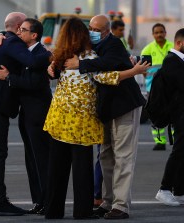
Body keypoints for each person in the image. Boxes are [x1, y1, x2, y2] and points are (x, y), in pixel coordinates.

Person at [43, 16, 149, 220]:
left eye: (95, 29)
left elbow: (107, 66)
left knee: (122, 157)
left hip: (119, 107)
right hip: (85, 119)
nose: (91, 31)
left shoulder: (107, 46)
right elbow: (103, 76)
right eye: (88, 28)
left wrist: (133, 70)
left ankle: (119, 206)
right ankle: (102, 204)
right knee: (103, 158)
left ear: (107, 31)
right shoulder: (73, 55)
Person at [0, 12, 49, 216]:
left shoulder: (5, 40)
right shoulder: (12, 42)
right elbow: (33, 62)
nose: (22, 30)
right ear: (17, 28)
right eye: (22, 27)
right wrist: (52, 55)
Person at [154, 28, 184, 206]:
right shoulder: (172, 62)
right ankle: (164, 189)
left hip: (180, 114)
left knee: (182, 152)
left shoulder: (178, 61)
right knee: (178, 152)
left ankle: (179, 190)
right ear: (179, 43)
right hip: (179, 115)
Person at [141, 23, 174, 151]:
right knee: (156, 115)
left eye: (161, 32)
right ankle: (160, 142)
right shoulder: (147, 50)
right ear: (153, 34)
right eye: (157, 32)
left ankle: (175, 140)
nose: (159, 34)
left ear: (165, 33)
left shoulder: (173, 47)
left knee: (174, 115)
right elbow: (143, 70)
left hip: (172, 88)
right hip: (154, 90)